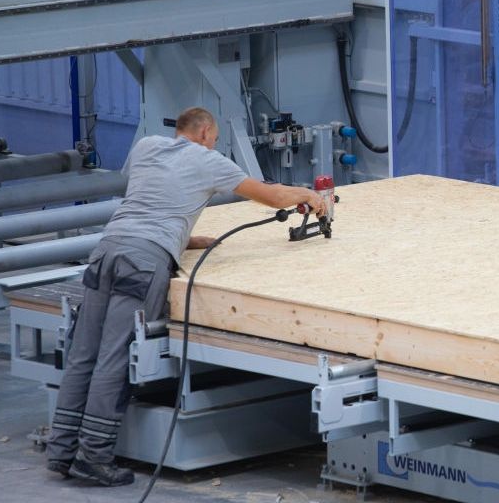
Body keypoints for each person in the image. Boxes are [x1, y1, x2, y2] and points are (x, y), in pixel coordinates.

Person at [45, 107, 326, 486]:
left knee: (83, 352)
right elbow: (272, 196)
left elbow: (152, 199)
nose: (214, 144)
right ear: (206, 132)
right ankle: (94, 457)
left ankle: (61, 451)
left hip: (107, 249)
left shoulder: (146, 147)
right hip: (143, 262)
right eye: (215, 138)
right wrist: (309, 195)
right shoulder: (208, 161)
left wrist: (183, 239)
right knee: (115, 357)